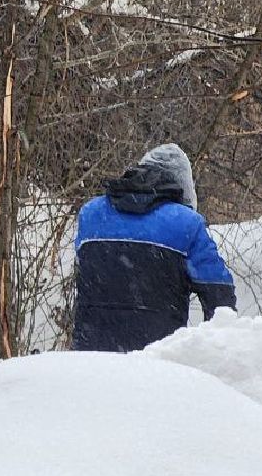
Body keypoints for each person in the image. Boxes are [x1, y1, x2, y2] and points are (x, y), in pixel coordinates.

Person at [73, 143, 237, 353]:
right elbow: (219, 296)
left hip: (90, 355)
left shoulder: (91, 215)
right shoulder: (186, 223)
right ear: (183, 185)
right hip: (157, 358)